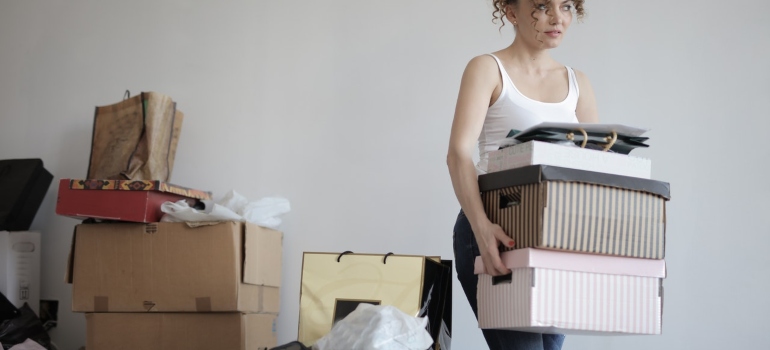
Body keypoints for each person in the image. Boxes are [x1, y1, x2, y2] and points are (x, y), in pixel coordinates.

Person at [446, 0, 598, 349]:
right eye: (542, 6)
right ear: (511, 12)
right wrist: (482, 230)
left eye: (566, 6)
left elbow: (592, 171)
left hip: (556, 238)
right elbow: (458, 155)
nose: (557, 18)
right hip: (496, 228)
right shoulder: (487, 69)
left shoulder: (579, 84)